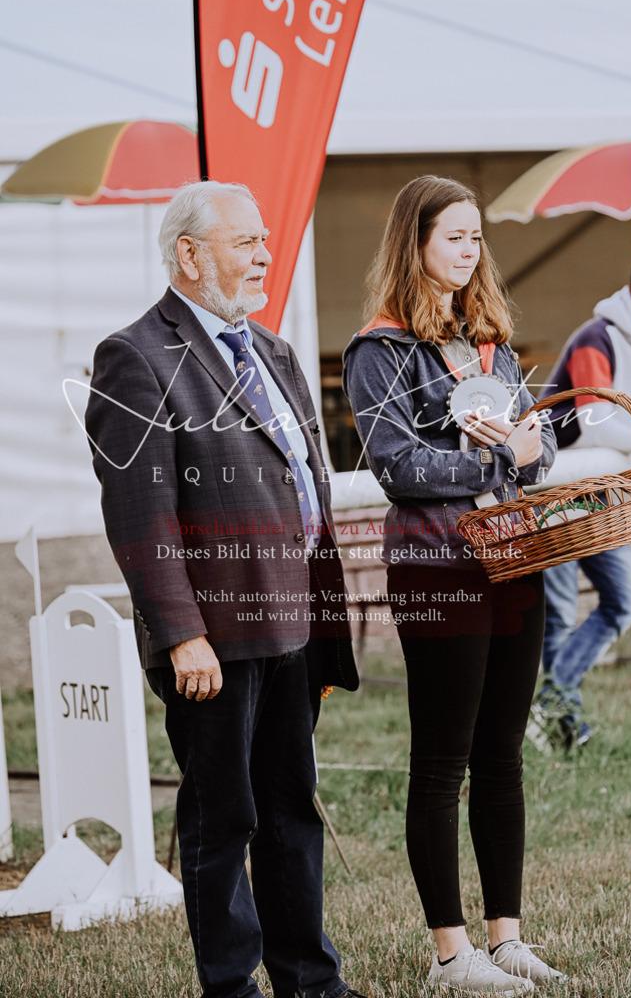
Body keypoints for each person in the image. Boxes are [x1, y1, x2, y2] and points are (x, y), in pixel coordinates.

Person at [84, 180, 363, 998]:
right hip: (214, 636)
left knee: (291, 811)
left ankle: (310, 982)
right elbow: (141, 515)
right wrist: (181, 633)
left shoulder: (273, 350)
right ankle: (232, 988)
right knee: (223, 818)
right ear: (190, 254)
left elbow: (304, 484)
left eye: (264, 240)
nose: (266, 255)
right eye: (246, 242)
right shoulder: (135, 356)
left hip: (293, 622)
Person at [343, 175, 562, 995]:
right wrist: (501, 456)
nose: (470, 251)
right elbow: (399, 467)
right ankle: (450, 954)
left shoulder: (489, 338)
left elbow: (541, 448)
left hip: (513, 561)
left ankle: (507, 939)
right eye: (454, 237)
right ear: (416, 243)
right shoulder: (379, 351)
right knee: (442, 761)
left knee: (501, 755)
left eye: (476, 237)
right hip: (438, 567)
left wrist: (529, 447)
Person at [537, 241, 631, 749]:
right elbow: (595, 424)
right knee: (559, 614)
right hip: (554, 489)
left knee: (623, 603)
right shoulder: (594, 338)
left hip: (605, 491)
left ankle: (551, 699)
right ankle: (565, 730)